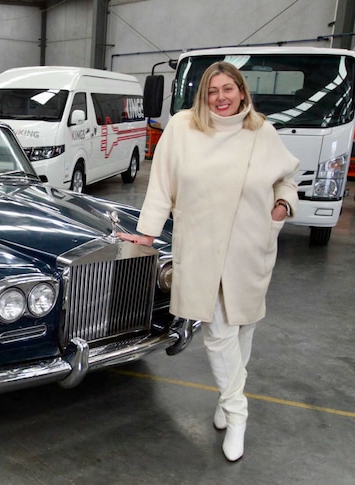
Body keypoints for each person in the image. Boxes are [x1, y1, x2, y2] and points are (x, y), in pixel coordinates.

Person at [117, 61, 299, 462]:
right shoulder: (183, 128)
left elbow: (286, 177)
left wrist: (283, 206)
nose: (220, 97)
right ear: (203, 95)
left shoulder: (260, 131)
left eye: (228, 89)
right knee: (217, 330)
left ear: (241, 91)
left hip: (250, 247)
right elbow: (161, 184)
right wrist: (147, 233)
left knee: (243, 327)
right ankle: (238, 413)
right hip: (200, 246)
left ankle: (225, 398)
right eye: (212, 90)